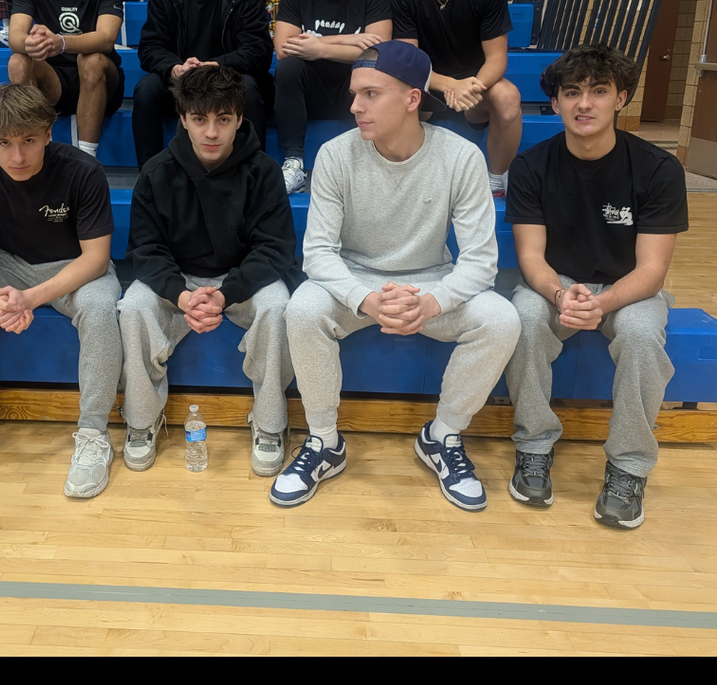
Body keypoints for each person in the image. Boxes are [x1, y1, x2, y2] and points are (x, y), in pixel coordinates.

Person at [275, 41, 520, 510]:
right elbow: (319, 254)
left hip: (431, 280)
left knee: (502, 318)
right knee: (303, 307)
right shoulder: (334, 154)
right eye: (354, 94)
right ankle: (324, 441)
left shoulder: (461, 157)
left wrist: (433, 302)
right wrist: (365, 299)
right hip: (356, 280)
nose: (354, 107)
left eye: (370, 94)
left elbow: (480, 260)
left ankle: (442, 436)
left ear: (411, 99)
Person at [504, 44, 689, 529]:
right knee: (521, 318)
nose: (584, 104)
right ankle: (534, 446)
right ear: (557, 103)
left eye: (598, 92)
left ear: (620, 98)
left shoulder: (658, 169)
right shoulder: (531, 167)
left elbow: (652, 272)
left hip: (627, 288)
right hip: (557, 283)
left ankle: (628, 467)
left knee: (643, 334)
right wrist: (563, 295)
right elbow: (530, 258)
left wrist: (601, 302)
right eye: (572, 93)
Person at [0, 83, 122, 501]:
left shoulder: (83, 171)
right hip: (7, 263)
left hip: (74, 268)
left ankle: (93, 435)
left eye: (29, 141)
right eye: (4, 143)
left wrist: (31, 298)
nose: (17, 156)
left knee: (102, 308)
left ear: (49, 134)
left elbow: (96, 259)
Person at [118, 65, 301, 475]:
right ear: (183, 119)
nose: (212, 133)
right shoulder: (156, 172)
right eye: (200, 119)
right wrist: (181, 295)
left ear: (239, 118)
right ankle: (142, 420)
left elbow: (274, 250)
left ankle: (271, 424)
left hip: (241, 282)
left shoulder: (264, 172)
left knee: (278, 305)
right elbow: (145, 250)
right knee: (133, 306)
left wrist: (223, 294)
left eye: (223, 119)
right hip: (178, 283)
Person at [391, 0, 520, 196]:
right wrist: (449, 85)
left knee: (508, 95)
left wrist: (471, 87)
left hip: (476, 88)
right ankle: (402, 180)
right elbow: (408, 61)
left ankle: (496, 181)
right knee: (392, 88)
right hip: (424, 84)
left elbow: (497, 58)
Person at [133, 0, 272, 169]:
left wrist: (215, 67)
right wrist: (175, 68)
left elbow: (259, 52)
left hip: (227, 81)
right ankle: (150, 176)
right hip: (181, 82)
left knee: (251, 88)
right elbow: (150, 48)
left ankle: (254, 172)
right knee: (146, 89)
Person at [273, 0, 392, 193]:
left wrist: (318, 47)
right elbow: (283, 48)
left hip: (353, 91)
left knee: (378, 73)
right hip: (309, 92)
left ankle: (371, 158)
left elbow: (380, 51)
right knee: (288, 68)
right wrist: (349, 39)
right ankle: (294, 163)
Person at [6, 0, 124, 159]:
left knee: (91, 60)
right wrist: (31, 43)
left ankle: (86, 160)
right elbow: (15, 35)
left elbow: (106, 39)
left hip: (102, 81)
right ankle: (32, 153)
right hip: (54, 80)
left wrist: (60, 42)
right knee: (18, 60)